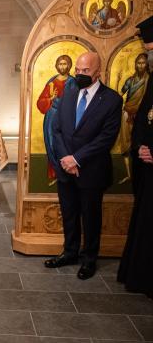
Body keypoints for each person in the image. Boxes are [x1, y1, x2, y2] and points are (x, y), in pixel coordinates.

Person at [45, 52, 122, 280]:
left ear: (98, 71)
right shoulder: (68, 93)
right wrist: (66, 159)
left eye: (85, 71)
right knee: (69, 214)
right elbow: (57, 130)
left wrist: (76, 159)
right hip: (66, 168)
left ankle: (89, 259)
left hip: (91, 169)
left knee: (90, 216)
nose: (79, 74)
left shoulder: (111, 100)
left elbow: (107, 137)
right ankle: (69, 252)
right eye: (78, 70)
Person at [117, 15, 153, 299]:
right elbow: (143, 118)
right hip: (147, 161)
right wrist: (141, 145)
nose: (147, 56)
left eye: (150, 51)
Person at [37, 55, 77, 185]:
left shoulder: (73, 82)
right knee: (51, 144)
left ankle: (65, 173)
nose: (62, 67)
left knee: (65, 145)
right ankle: (54, 173)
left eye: (65, 64)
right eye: (60, 64)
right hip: (51, 117)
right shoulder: (52, 82)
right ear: (56, 66)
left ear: (69, 66)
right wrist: (50, 99)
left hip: (68, 118)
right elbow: (40, 102)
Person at [116, 53, 149, 184]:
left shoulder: (149, 81)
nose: (140, 65)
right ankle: (128, 175)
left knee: (142, 143)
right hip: (127, 114)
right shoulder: (130, 80)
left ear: (147, 64)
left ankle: (141, 175)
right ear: (135, 64)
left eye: (143, 63)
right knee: (126, 144)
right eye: (138, 63)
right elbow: (120, 95)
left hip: (143, 116)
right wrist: (118, 81)